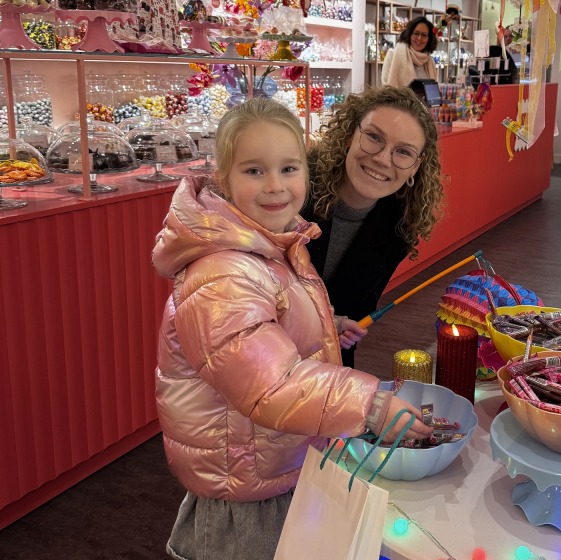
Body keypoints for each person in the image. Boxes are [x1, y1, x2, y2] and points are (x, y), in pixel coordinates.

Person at [152, 98, 433, 560]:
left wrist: (325, 326)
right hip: (244, 484)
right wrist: (372, 405)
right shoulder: (224, 272)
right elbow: (270, 384)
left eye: (287, 169)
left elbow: (270, 332)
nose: (275, 186)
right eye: (254, 170)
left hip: (274, 458)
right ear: (223, 176)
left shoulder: (278, 242)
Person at [302, 86, 444, 368]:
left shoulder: (398, 228)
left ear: (416, 167)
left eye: (403, 152)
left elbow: (355, 314)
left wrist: (345, 329)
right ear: (349, 135)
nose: (382, 158)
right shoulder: (293, 188)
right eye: (374, 137)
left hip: (326, 369)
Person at [382, 16, 438, 86]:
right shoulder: (392, 55)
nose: (419, 38)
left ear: (429, 39)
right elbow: (386, 88)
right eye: (416, 33)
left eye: (424, 35)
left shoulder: (429, 61)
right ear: (409, 34)